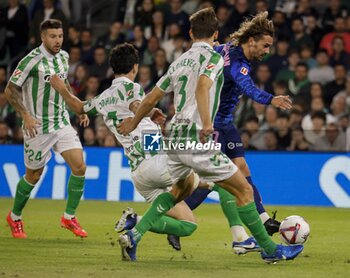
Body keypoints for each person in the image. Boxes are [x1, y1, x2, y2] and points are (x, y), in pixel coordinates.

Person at [117, 8, 303, 263]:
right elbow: (203, 86)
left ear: (191, 33)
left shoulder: (179, 61)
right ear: (215, 34)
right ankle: (268, 250)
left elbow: (151, 98)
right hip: (197, 139)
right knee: (244, 190)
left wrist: (133, 123)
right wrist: (206, 123)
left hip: (175, 138)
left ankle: (135, 234)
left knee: (179, 191)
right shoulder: (217, 57)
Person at [49, 43, 199, 246]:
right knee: (206, 171)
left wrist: (62, 89)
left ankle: (134, 222)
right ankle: (243, 233)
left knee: (188, 224)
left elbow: (78, 106)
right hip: (155, 163)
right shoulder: (132, 88)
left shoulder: (103, 98)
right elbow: (137, 104)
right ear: (135, 67)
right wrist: (147, 110)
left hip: (140, 175)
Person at [179, 10, 293, 250]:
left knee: (241, 168)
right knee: (215, 180)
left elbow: (217, 51)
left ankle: (261, 222)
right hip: (215, 123)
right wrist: (271, 99)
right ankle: (178, 215)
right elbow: (248, 87)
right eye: (265, 45)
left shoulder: (227, 49)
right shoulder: (239, 64)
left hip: (225, 123)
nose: (267, 51)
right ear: (251, 41)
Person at [4, 19, 88, 239]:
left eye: (60, 36)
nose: (58, 40)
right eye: (53, 36)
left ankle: (69, 217)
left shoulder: (64, 57)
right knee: (33, 175)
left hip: (60, 122)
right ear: (43, 37)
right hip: (37, 126)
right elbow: (10, 90)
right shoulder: (31, 61)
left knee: (79, 166)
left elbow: (64, 85)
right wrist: (25, 115)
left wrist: (77, 107)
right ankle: (15, 217)